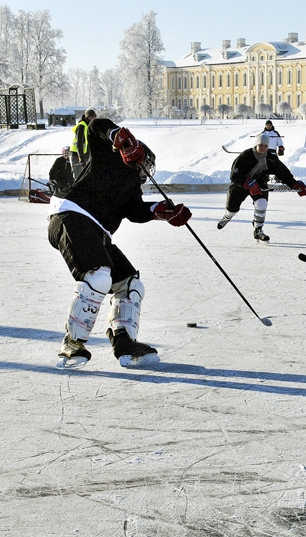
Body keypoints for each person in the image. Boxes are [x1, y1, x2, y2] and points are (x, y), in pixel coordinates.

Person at [48, 119, 192, 369]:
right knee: (99, 276)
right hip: (70, 216)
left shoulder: (131, 187)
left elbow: (135, 210)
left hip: (97, 232)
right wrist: (120, 138)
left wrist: (161, 211)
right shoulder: (107, 158)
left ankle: (124, 341)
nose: (145, 171)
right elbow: (95, 127)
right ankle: (72, 343)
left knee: (130, 282)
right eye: (146, 164)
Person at [217, 133, 306, 241]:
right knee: (232, 210)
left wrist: (294, 184)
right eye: (260, 145)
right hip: (240, 185)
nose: (263, 148)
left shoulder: (271, 158)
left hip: (259, 185)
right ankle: (227, 217)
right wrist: (248, 183)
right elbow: (234, 175)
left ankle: (258, 229)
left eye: (265, 146)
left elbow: (283, 173)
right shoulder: (245, 156)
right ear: (256, 145)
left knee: (262, 204)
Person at [70, 108, 97, 179]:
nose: (93, 119)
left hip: (85, 155)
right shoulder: (82, 126)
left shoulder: (89, 126)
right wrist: (81, 158)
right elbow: (79, 142)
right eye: (91, 117)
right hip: (77, 155)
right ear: (87, 117)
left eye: (94, 117)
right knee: (79, 177)